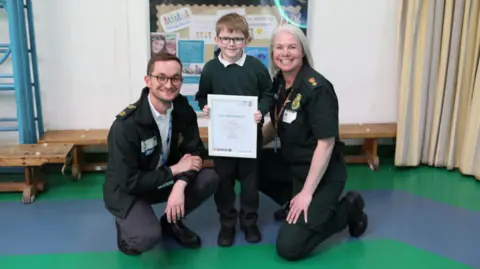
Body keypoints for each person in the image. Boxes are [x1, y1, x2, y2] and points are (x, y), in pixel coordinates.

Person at [259, 24, 369, 261]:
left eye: (292, 47)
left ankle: (349, 208)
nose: (285, 53)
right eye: (279, 47)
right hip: (293, 167)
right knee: (250, 163)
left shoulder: (317, 88)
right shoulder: (279, 83)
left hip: (323, 173)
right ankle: (293, 202)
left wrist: (307, 194)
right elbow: (277, 124)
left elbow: (326, 144)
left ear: (303, 52)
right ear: (272, 53)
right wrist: (249, 142)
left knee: (289, 248)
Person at [103, 52, 219, 256]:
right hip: (128, 189)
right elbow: (129, 182)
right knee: (146, 238)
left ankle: (171, 222)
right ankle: (126, 223)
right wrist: (175, 170)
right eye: (161, 77)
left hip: (161, 178)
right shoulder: (125, 126)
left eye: (175, 78)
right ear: (148, 80)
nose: (168, 84)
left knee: (209, 178)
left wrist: (180, 184)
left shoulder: (183, 108)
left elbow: (194, 151)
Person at [195, 13, 275, 247]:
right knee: (224, 183)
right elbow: (201, 96)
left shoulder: (256, 67)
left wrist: (261, 110)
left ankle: (249, 222)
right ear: (217, 40)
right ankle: (227, 225)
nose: (232, 44)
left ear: (247, 40)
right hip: (222, 140)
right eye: (227, 39)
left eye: (238, 39)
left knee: (250, 185)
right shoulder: (210, 69)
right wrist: (206, 107)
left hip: (250, 138)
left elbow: (269, 94)